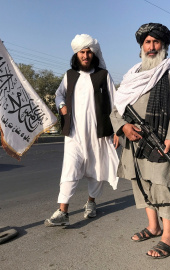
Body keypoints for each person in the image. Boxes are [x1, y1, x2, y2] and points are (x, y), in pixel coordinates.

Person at [110, 23, 170, 258]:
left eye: (156, 42)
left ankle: (169, 236)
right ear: (141, 46)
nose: (151, 47)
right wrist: (123, 127)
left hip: (159, 140)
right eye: (147, 42)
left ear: (164, 45)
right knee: (140, 183)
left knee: (161, 185)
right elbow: (116, 108)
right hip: (133, 140)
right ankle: (153, 226)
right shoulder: (132, 74)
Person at [45, 34, 119, 227]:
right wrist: (61, 105)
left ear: (93, 54)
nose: (85, 55)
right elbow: (59, 94)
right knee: (69, 170)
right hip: (74, 134)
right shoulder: (70, 75)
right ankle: (63, 211)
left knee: (97, 170)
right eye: (82, 52)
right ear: (76, 55)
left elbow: (115, 102)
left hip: (99, 134)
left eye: (88, 52)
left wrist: (118, 130)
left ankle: (91, 203)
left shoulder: (103, 75)